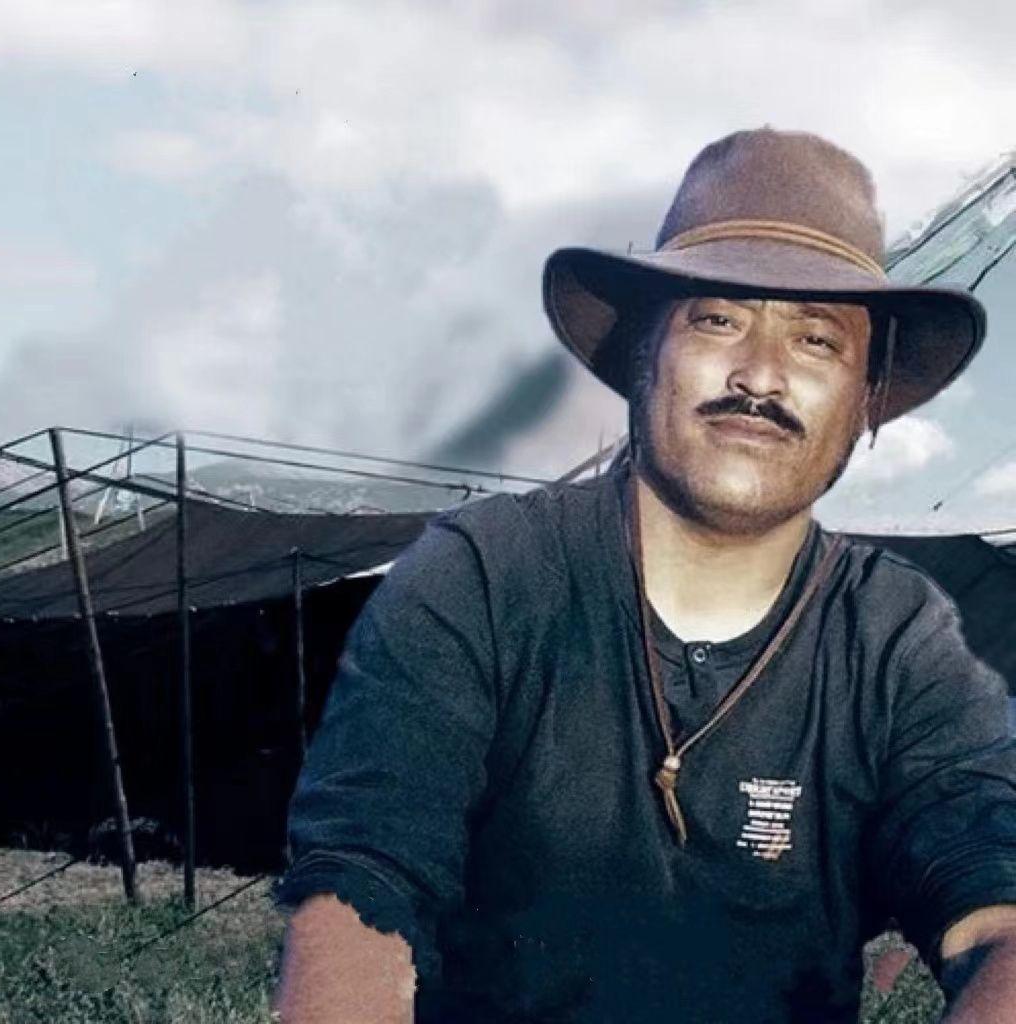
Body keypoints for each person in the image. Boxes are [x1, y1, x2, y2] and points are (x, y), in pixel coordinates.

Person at [274, 129, 1016, 1023]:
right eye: (718, 320)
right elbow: (362, 887)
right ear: (642, 355)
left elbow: (997, 905)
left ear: (864, 404)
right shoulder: (485, 576)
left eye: (817, 340)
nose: (760, 376)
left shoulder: (896, 638)